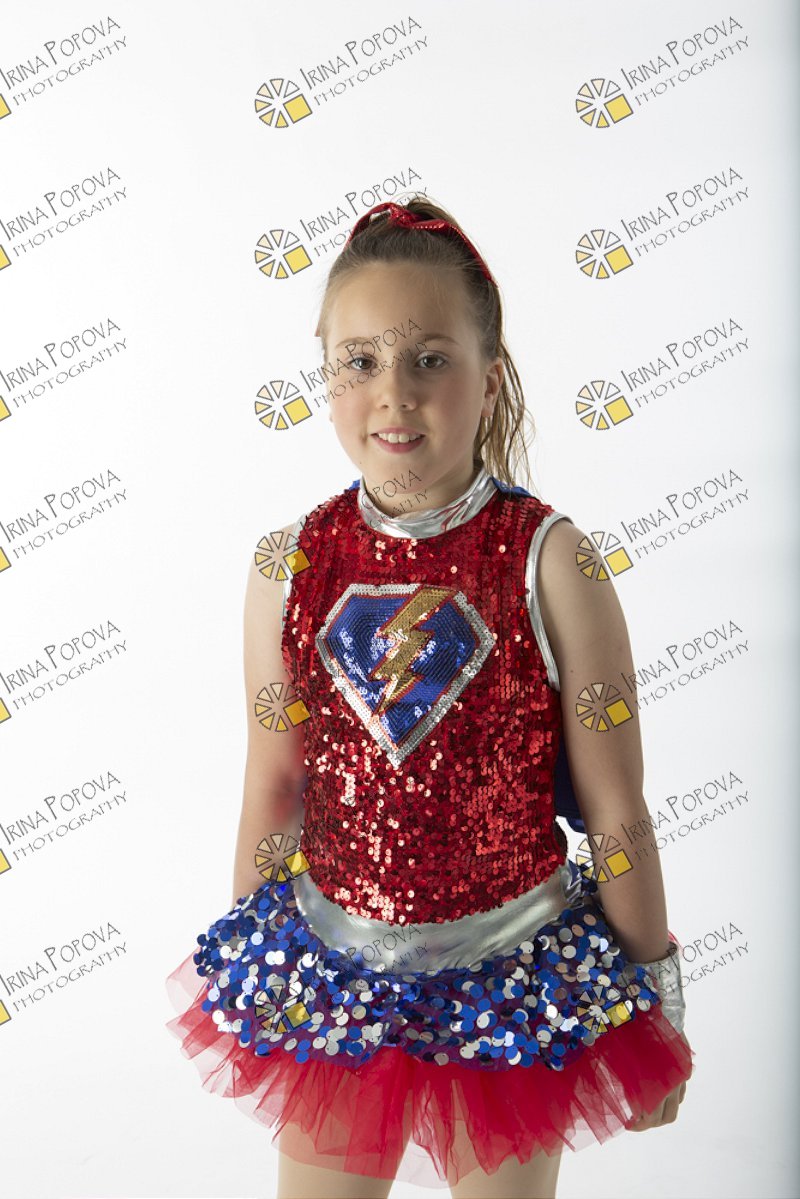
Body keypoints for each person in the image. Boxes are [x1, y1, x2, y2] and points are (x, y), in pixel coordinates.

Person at [165, 194, 695, 1199]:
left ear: (489, 377)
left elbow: (616, 809)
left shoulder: (551, 563)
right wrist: (251, 963)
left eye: (430, 359)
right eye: (360, 361)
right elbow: (274, 785)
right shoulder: (286, 565)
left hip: (512, 979)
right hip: (335, 966)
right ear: (325, 375)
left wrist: (654, 1000)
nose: (393, 395)